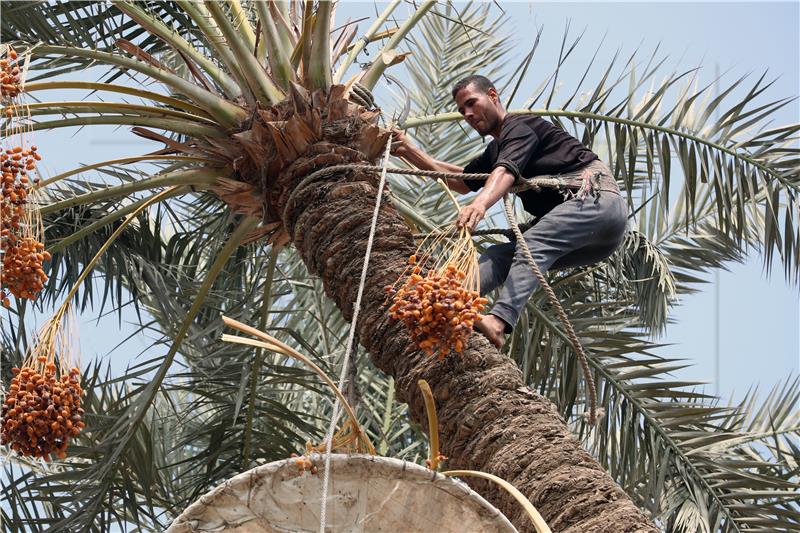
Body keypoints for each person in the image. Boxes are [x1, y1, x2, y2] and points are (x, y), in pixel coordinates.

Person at [391, 75, 627, 349]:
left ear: (492, 95)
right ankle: (448, 301)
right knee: (501, 255)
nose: (467, 114)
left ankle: (498, 321)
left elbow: (505, 171)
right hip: (596, 240)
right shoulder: (496, 149)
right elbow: (459, 181)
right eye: (462, 110)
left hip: (596, 202)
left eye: (471, 103)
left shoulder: (519, 126)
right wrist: (407, 150)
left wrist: (480, 204)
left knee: (532, 244)